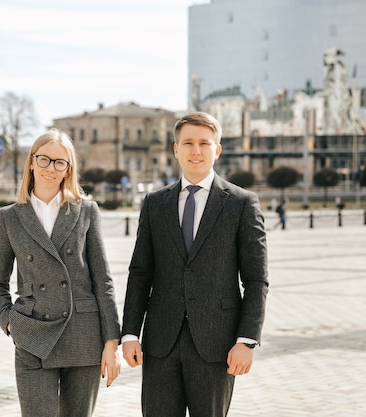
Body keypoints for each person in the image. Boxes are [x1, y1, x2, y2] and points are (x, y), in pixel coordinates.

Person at [121, 111, 269, 417]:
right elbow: (140, 273)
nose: (196, 150)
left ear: (217, 149)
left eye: (204, 143)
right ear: (176, 149)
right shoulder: (154, 204)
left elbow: (256, 280)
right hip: (160, 343)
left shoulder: (242, 204)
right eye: (187, 142)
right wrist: (130, 333)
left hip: (217, 344)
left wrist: (247, 339)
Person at [0, 128, 121, 417]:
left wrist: (112, 341)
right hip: (33, 333)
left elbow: (102, 280)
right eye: (45, 159)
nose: (51, 168)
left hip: (83, 334)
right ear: (32, 162)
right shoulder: (10, 216)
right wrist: (11, 323)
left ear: (68, 168)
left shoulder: (86, 211)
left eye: (60, 162)